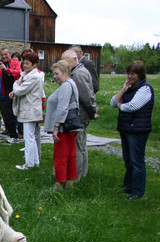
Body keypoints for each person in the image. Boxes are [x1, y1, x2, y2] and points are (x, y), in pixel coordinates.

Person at [110, 60, 154, 199]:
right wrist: (123, 89)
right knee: (128, 161)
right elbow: (113, 102)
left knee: (137, 162)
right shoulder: (130, 87)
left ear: (140, 74)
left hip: (138, 131)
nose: (130, 76)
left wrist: (121, 106)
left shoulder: (145, 88)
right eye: (129, 73)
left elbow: (133, 106)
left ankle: (137, 191)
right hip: (126, 129)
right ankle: (128, 188)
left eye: (133, 74)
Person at [61, 50, 98, 182]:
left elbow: (86, 96)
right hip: (82, 114)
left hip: (80, 115)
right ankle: (82, 175)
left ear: (73, 60)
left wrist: (92, 111)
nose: (63, 64)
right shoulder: (78, 71)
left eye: (65, 62)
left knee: (78, 147)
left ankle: (77, 177)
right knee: (81, 145)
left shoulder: (78, 73)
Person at [44, 60, 79, 192]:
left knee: (60, 156)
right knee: (70, 156)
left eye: (57, 73)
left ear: (65, 72)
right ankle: (70, 183)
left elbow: (62, 108)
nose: (55, 76)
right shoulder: (71, 84)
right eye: (53, 74)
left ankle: (59, 184)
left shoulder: (65, 86)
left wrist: (56, 128)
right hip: (71, 127)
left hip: (64, 128)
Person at [10, 52, 44, 170]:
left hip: (30, 111)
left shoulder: (34, 77)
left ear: (35, 65)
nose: (24, 65)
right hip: (29, 110)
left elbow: (19, 91)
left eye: (27, 64)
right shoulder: (26, 75)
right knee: (31, 137)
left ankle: (29, 164)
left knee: (29, 138)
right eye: (23, 63)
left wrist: (15, 84)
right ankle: (34, 162)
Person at [0, 48, 21, 143]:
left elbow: (18, 73)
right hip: (4, 93)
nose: (3, 56)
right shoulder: (0, 66)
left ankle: (18, 134)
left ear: (10, 54)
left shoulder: (16, 63)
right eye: (2, 55)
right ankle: (12, 135)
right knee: (7, 115)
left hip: (16, 92)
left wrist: (6, 69)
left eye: (5, 54)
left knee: (15, 115)